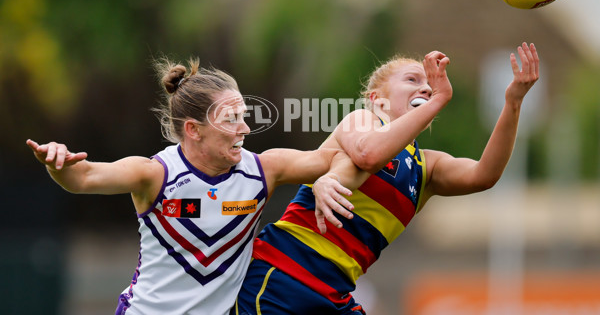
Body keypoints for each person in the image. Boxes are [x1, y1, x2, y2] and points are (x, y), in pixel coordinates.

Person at [26, 56, 358, 315]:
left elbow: (337, 155)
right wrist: (57, 162)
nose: (244, 127)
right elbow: (83, 177)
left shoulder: (262, 171)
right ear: (193, 130)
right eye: (230, 119)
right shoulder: (155, 174)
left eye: (243, 115)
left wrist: (331, 177)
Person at [233, 42, 540, 315]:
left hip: (333, 293)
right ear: (377, 98)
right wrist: (439, 98)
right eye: (412, 80)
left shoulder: (426, 167)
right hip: (283, 274)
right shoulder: (363, 120)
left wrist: (513, 102)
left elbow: (483, 175)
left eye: (429, 87)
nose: (425, 88)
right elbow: (368, 155)